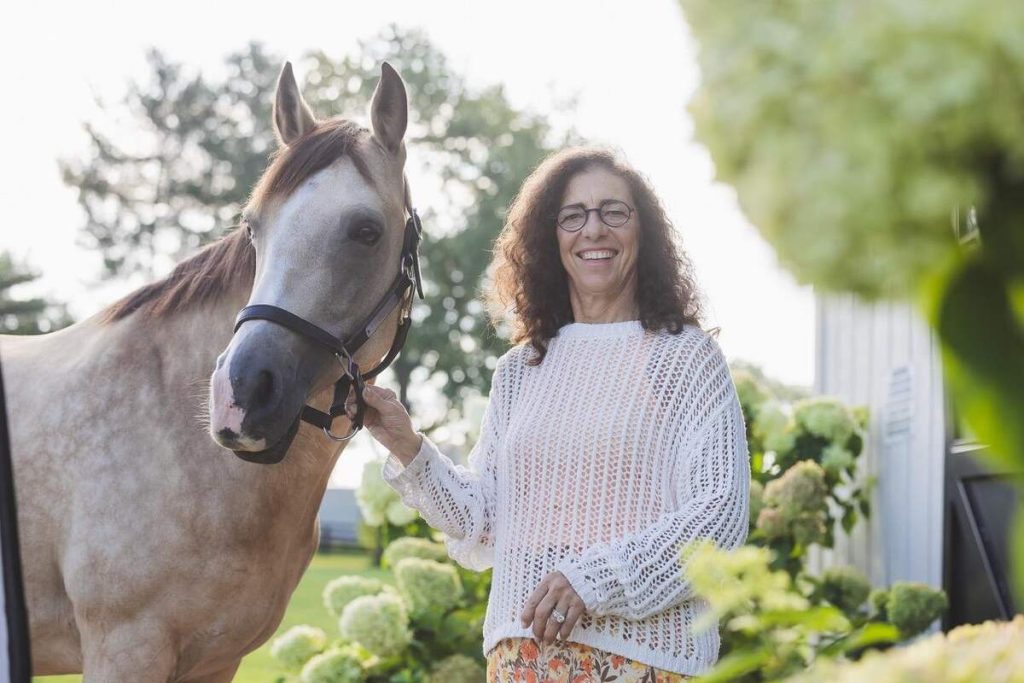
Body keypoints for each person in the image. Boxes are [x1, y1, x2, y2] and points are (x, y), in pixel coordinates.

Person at [348, 147, 750, 680]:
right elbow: (485, 525)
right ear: (550, 238)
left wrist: (594, 581)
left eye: (614, 211)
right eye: (573, 216)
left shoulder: (685, 358)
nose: (594, 230)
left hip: (642, 661)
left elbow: (718, 517)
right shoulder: (521, 369)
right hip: (521, 661)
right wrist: (407, 445)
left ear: (643, 231)